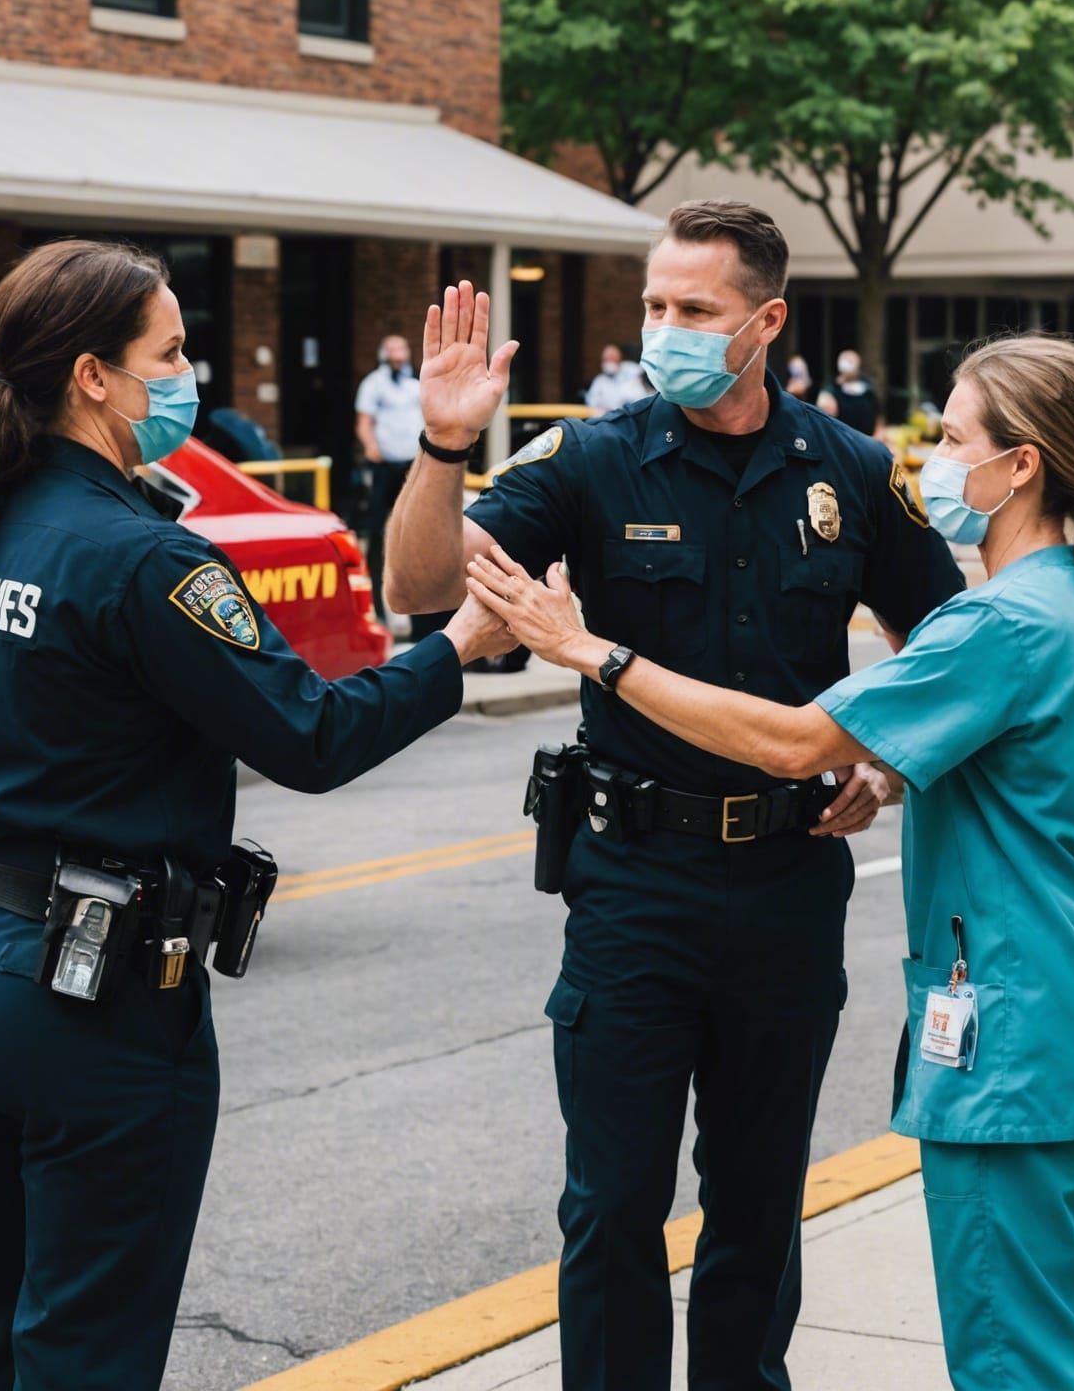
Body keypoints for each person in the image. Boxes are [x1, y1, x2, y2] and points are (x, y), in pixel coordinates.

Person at [467, 334, 1074, 1391]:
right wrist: (892, 774)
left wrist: (591, 652)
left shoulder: (1003, 622)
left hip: (1016, 1042)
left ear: (1022, 466)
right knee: (1053, 1339)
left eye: (955, 436)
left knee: (1016, 1361)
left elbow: (795, 743)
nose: (934, 458)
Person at [0, 240, 511, 1391]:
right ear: (92, 375)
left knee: (1, 1309)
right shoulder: (145, 558)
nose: (190, 378)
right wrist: (459, 650)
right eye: (171, 353)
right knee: (87, 1344)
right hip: (90, 995)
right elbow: (313, 739)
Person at [383, 199, 964, 1390]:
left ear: (766, 323)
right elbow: (418, 583)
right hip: (633, 888)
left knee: (758, 1209)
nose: (664, 328)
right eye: (655, 305)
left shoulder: (850, 470)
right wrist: (443, 450)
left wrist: (883, 758)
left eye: (692, 310)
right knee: (612, 1208)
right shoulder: (592, 457)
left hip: (788, 889)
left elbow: (943, 646)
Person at [355, 334, 424, 622]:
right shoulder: (374, 384)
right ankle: (378, 606)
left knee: (415, 530)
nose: (399, 355)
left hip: (412, 465)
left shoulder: (414, 384)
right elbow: (364, 422)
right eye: (393, 350)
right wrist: (371, 447)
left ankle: (417, 606)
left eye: (402, 349)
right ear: (385, 354)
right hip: (385, 466)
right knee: (378, 531)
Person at [831, 348, 885, 438]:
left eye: (852, 361)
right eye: (846, 361)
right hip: (843, 440)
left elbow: (879, 415)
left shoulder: (867, 389)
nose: (849, 364)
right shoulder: (832, 389)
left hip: (868, 441)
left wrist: (878, 435)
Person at [584, 343, 648, 412]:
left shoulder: (632, 370)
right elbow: (591, 402)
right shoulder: (599, 380)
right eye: (606, 359)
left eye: (612, 357)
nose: (609, 362)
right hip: (608, 418)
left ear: (619, 357)